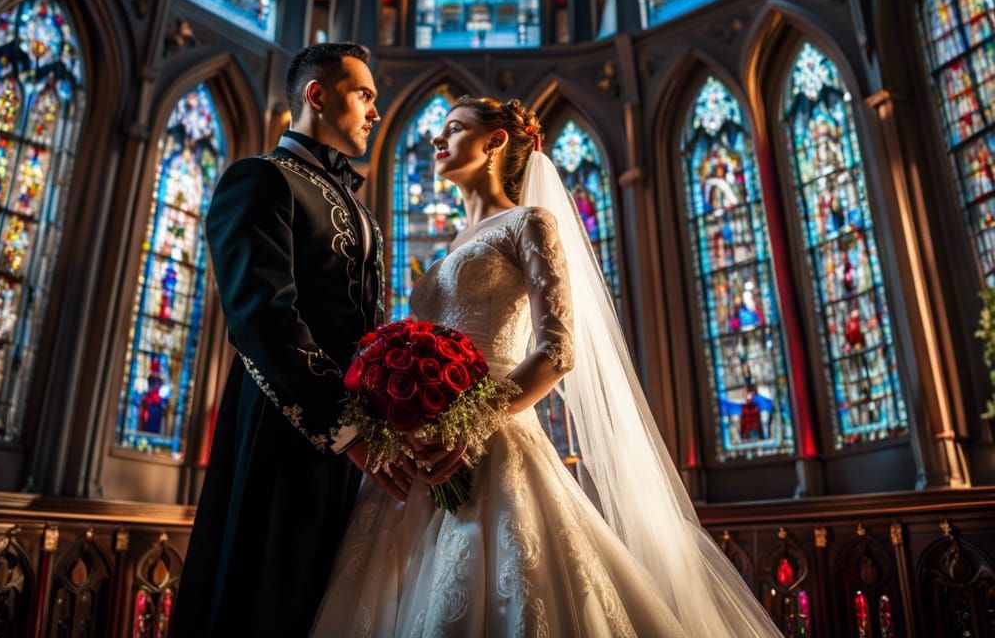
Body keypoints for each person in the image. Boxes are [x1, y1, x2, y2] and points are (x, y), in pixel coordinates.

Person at [312, 96, 783, 637]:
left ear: (495, 142)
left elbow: (558, 350)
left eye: (454, 129)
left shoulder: (529, 223)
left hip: (494, 441)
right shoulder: (447, 250)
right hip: (420, 457)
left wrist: (468, 425)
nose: (437, 141)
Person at [172, 43, 410, 638]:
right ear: (316, 95)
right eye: (364, 95)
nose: (375, 111)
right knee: (267, 595)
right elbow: (262, 317)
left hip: (355, 439)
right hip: (281, 424)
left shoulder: (361, 208)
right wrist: (346, 430)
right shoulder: (258, 179)